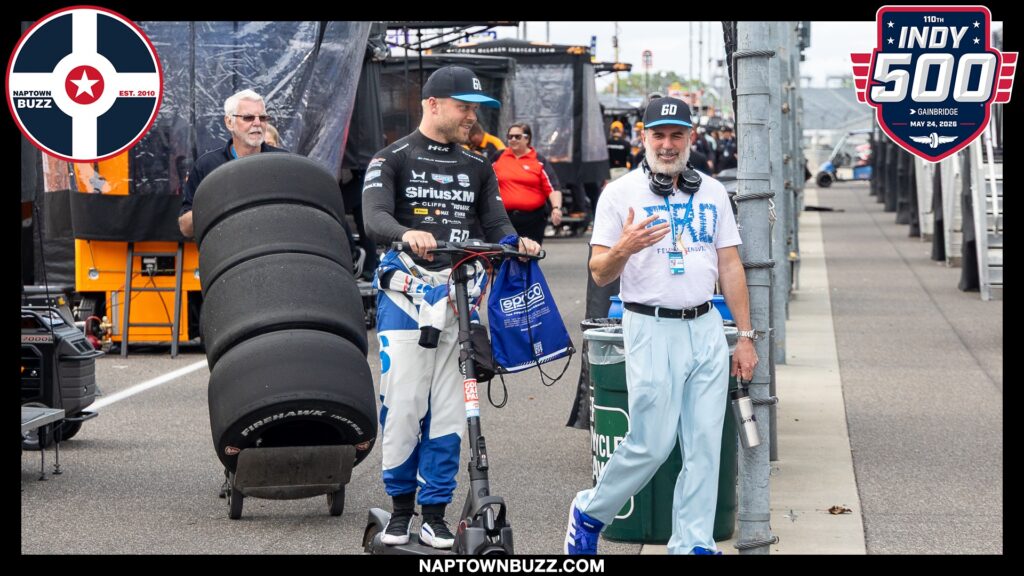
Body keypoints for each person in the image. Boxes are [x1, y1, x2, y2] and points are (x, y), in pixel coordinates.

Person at [563, 97, 758, 556]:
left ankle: (692, 542)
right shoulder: (619, 194)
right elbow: (599, 273)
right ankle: (590, 510)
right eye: (658, 135)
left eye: (676, 135)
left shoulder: (711, 191)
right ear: (642, 138)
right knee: (651, 443)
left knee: (706, 445)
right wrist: (625, 247)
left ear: (691, 138)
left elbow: (730, 266)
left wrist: (745, 337)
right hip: (650, 326)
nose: (667, 145)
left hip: (706, 326)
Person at [362, 65, 541, 550]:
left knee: (450, 413)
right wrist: (405, 233)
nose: (471, 116)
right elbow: (374, 217)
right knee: (402, 407)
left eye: (476, 108)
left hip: (461, 299)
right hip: (407, 299)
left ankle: (435, 513)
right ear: (433, 104)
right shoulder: (391, 157)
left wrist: (515, 242)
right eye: (463, 106)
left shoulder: (479, 165)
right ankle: (401, 509)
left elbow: (496, 221)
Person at [178, 89, 286, 238]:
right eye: (248, 118)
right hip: (226, 255)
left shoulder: (284, 163)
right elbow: (185, 228)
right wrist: (216, 204)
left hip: (273, 252)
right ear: (229, 122)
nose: (257, 123)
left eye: (262, 117)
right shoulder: (207, 165)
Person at [492, 122, 563, 244]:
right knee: (504, 254)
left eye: (517, 136)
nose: (513, 139)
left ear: (527, 138)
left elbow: (552, 187)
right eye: (510, 137)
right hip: (504, 218)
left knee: (529, 255)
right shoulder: (498, 157)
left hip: (532, 220)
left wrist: (556, 208)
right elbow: (485, 180)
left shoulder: (538, 160)